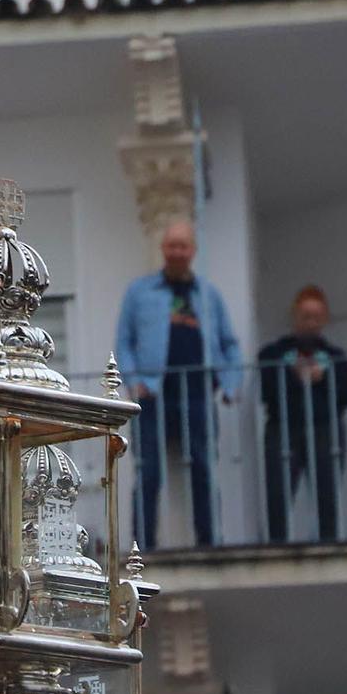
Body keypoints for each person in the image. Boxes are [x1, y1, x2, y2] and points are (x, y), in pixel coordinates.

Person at [114, 218, 243, 548]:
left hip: (199, 394)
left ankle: (209, 541)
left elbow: (230, 343)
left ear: (192, 251)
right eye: (171, 245)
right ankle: (143, 546)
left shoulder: (207, 295)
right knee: (148, 471)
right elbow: (124, 341)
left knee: (203, 468)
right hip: (153, 395)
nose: (176, 252)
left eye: (182, 246)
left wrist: (230, 384)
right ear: (163, 249)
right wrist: (132, 382)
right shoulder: (139, 291)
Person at [257, 285, 347, 542]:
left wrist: (323, 378)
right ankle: (276, 546)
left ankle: (328, 542)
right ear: (295, 318)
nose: (310, 323)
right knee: (278, 493)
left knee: (327, 492)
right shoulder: (274, 354)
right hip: (283, 428)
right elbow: (266, 391)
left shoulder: (336, 357)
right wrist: (295, 377)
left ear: (324, 319)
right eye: (305, 317)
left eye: (316, 317)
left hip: (325, 428)